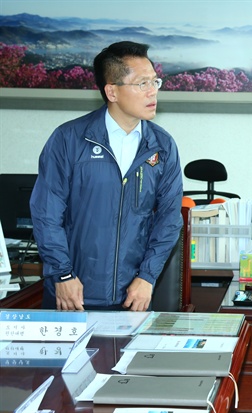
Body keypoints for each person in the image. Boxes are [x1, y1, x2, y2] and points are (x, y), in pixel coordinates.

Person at [30, 41, 183, 311]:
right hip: (72, 294)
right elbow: (46, 213)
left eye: (155, 82)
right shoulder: (69, 139)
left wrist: (147, 276)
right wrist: (62, 274)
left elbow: (169, 218)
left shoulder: (162, 146)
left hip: (133, 297)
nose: (153, 92)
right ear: (112, 91)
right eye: (142, 83)